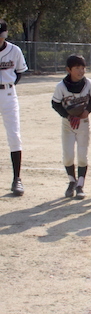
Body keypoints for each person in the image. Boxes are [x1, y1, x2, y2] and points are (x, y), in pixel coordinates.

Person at [51, 54, 91, 199]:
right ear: (68, 69)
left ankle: (80, 185)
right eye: (77, 68)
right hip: (68, 124)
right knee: (68, 156)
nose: (81, 71)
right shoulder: (61, 86)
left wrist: (87, 111)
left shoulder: (88, 84)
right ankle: (71, 181)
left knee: (82, 156)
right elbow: (55, 104)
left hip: (83, 123)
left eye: (83, 68)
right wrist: (68, 116)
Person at [0, 20, 28, 196]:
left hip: (8, 95)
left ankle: (17, 179)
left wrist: (9, 85)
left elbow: (19, 72)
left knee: (14, 136)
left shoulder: (14, 50)